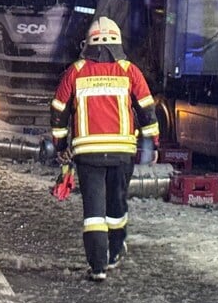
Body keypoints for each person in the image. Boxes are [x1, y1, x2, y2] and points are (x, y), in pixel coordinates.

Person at [49, 16, 159, 282]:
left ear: (88, 43)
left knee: (94, 212)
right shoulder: (129, 71)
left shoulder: (75, 71)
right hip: (122, 153)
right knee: (116, 205)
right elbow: (147, 110)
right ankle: (114, 251)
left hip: (88, 154)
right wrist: (152, 144)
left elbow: (58, 112)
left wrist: (60, 146)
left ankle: (97, 267)